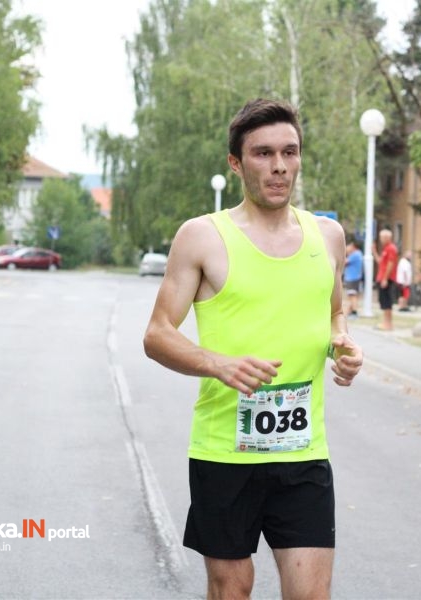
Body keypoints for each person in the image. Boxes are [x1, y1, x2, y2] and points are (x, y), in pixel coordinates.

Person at [142, 98, 363, 600]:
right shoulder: (202, 237)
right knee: (232, 588)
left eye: (290, 152)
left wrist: (342, 347)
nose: (279, 165)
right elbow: (157, 333)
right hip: (225, 453)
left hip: (304, 451)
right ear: (236, 164)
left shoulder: (328, 236)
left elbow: (334, 313)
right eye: (263, 153)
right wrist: (217, 364)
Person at [375, 228, 398, 330]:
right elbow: (380, 262)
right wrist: (374, 251)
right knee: (384, 301)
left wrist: (385, 278)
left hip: (387, 279)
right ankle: (386, 323)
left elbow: (391, 263)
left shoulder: (391, 248)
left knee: (387, 302)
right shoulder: (386, 249)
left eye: (382, 237)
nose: (381, 239)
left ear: (387, 237)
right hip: (382, 278)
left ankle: (388, 324)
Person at [343, 237, 363, 317]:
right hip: (354, 277)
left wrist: (344, 252)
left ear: (353, 246)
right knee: (352, 295)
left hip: (352, 278)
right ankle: (351, 311)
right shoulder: (358, 254)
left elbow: (344, 262)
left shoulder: (355, 254)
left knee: (352, 295)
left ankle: (354, 312)